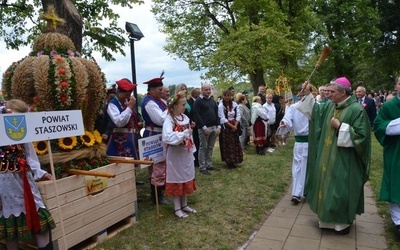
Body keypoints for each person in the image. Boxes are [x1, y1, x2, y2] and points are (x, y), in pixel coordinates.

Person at [299, 77, 371, 235]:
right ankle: (326, 220)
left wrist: (341, 127)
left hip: (345, 160)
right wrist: (307, 94)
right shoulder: (330, 106)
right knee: (326, 188)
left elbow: (362, 138)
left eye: (332, 92)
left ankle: (342, 224)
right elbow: (315, 112)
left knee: (340, 190)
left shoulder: (356, 110)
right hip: (327, 158)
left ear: (343, 92)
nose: (328, 95)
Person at [0, 99, 56, 250]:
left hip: (24, 180)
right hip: (4, 185)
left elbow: (30, 155)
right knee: (11, 229)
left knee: (40, 220)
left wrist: (40, 173)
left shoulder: (21, 132)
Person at [162, 91, 198, 218]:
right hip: (175, 155)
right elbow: (167, 137)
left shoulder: (185, 118)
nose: (185, 106)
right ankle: (177, 207)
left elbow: (189, 134)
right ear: (174, 106)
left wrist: (189, 134)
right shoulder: (169, 119)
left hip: (185, 153)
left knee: (186, 175)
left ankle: (184, 204)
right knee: (177, 178)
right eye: (183, 104)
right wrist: (183, 134)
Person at [373, 75, 400, 237]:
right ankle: (398, 221)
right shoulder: (389, 107)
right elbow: (379, 125)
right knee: (395, 183)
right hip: (396, 151)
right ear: (396, 86)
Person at [280, 84, 312, 204]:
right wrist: (284, 123)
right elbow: (288, 119)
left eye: (305, 93)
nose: (302, 95)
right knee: (298, 168)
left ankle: (308, 192)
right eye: (301, 93)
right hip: (299, 142)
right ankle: (296, 193)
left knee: (309, 167)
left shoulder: (314, 106)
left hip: (311, 142)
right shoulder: (293, 107)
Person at [141, 75, 170, 205]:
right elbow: (160, 120)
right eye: (159, 90)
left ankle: (161, 191)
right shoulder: (150, 102)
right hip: (154, 135)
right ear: (151, 90)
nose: (161, 92)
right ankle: (157, 196)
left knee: (162, 164)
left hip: (159, 135)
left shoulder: (159, 101)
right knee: (156, 165)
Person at [106, 78, 141, 158]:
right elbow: (119, 122)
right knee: (123, 165)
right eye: (126, 95)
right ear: (119, 93)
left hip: (132, 138)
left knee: (133, 167)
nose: (128, 97)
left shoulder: (126, 102)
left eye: (129, 94)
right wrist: (129, 108)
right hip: (120, 141)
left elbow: (136, 115)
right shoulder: (113, 104)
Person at [193, 84, 221, 175]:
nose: (208, 91)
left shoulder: (212, 100)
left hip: (213, 127)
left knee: (210, 147)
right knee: (203, 147)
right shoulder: (198, 101)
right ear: (201, 90)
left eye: (209, 89)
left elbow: (217, 114)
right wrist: (203, 127)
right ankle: (202, 167)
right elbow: (197, 115)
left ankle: (209, 164)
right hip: (204, 128)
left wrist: (218, 126)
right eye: (206, 90)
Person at [218, 90, 243, 169]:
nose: (227, 97)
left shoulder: (235, 105)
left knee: (235, 143)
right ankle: (229, 162)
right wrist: (232, 126)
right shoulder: (221, 106)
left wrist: (235, 125)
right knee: (228, 145)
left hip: (234, 125)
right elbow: (222, 118)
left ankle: (235, 159)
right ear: (223, 96)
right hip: (226, 128)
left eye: (228, 95)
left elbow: (238, 115)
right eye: (225, 95)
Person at [187, 88, 201, 167]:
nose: (199, 95)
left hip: (197, 125)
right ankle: (195, 160)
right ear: (194, 94)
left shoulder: (196, 101)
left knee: (198, 142)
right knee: (195, 143)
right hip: (193, 126)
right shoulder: (190, 102)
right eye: (198, 93)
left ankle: (198, 159)